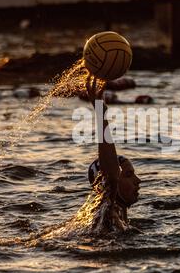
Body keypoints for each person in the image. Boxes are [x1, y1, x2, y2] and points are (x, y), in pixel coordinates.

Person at [39, 75, 141, 239]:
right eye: (128, 175)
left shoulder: (118, 213)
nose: (138, 180)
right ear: (104, 182)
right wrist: (100, 113)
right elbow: (111, 174)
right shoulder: (109, 211)